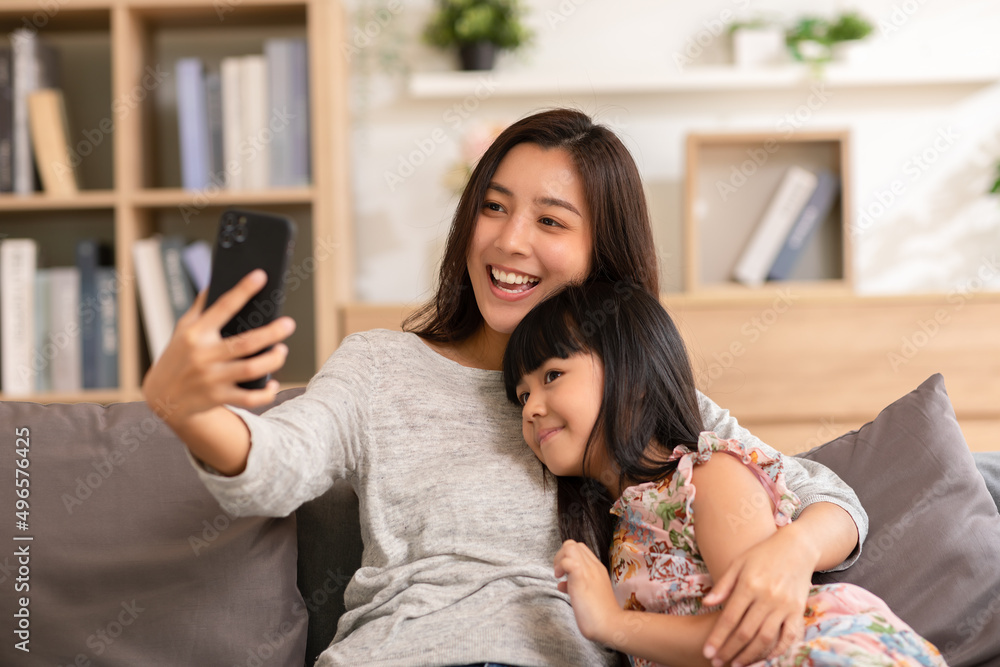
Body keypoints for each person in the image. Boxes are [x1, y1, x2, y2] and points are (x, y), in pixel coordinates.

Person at [142, 108, 868, 667]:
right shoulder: (379, 365)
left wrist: (789, 553)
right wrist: (189, 409)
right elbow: (276, 465)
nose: (509, 240)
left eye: (550, 220)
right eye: (493, 207)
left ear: (600, 256)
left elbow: (823, 494)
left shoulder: (632, 395)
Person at [502, 281, 946, 667]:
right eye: (522, 396)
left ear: (632, 376)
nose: (531, 408)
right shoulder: (623, 521)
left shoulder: (707, 476)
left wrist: (612, 623)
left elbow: (752, 634)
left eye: (552, 375)